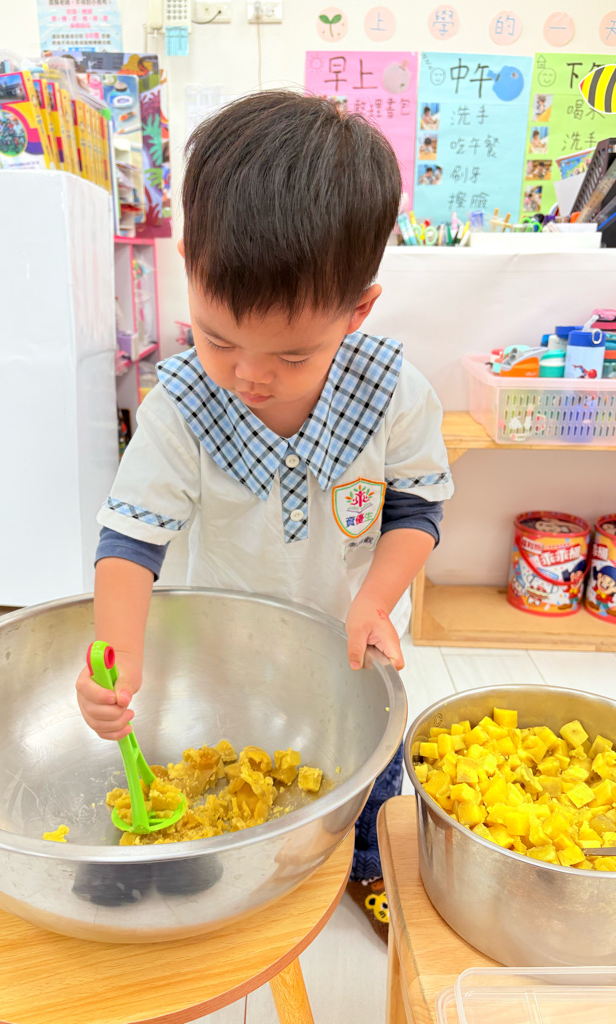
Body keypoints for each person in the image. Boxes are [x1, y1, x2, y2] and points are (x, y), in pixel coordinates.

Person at [75, 91, 453, 943]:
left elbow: (416, 508)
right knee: (208, 753)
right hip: (216, 648)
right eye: (217, 338)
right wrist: (118, 662)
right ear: (187, 269)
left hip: (342, 642)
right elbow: (131, 539)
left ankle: (367, 865)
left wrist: (376, 600)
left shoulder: (394, 395)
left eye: (292, 354)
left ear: (357, 312)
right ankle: (176, 850)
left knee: (369, 768)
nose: (248, 375)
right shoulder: (181, 406)